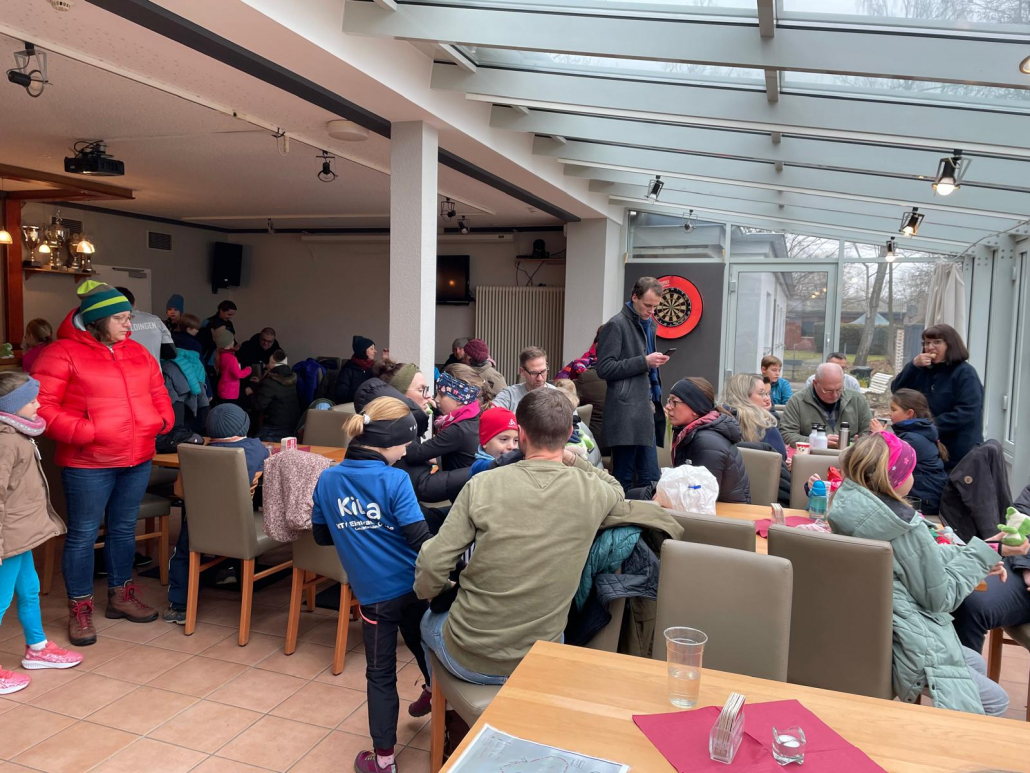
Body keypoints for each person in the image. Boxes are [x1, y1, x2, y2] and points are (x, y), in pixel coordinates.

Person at [415, 388, 677, 685]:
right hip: (542, 657)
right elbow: (616, 488)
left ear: (521, 434)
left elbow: (431, 564)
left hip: (470, 656)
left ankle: (436, 697)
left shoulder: (483, 484)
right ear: (568, 434)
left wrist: (440, 593)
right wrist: (571, 459)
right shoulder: (593, 491)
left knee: (426, 621)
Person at [828, 432, 1009, 716]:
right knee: (997, 700)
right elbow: (941, 597)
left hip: (870, 629)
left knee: (975, 662)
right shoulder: (903, 527)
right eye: (911, 470)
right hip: (906, 641)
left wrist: (979, 554)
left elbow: (917, 559)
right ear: (896, 478)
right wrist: (986, 553)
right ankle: (960, 742)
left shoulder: (851, 509)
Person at [35, 282, 174, 645]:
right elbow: (41, 408)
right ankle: (80, 608)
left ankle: (121, 596)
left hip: (137, 458)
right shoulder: (61, 353)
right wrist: (86, 431)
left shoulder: (137, 352)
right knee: (83, 535)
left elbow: (158, 391)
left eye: (129, 317)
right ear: (97, 320)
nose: (129, 324)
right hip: (88, 463)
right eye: (120, 318)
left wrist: (162, 420)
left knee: (124, 529)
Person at [310, 396, 431, 773]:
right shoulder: (396, 480)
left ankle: (383, 761)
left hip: (374, 597)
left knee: (380, 674)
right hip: (414, 585)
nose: (407, 450)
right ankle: (435, 693)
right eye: (405, 443)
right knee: (422, 642)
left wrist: (356, 529)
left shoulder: (327, 478)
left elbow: (322, 537)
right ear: (386, 442)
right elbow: (421, 542)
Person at [0, 373, 83, 694]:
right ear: (12, 406)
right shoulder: (5, 441)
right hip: (7, 537)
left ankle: (37, 648)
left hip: (20, 533)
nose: (38, 405)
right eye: (32, 400)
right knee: (1, 600)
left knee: (30, 589)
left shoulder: (18, 433)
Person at [163, 404, 269, 624]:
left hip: (199, 523)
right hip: (239, 524)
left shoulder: (193, 453)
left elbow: (180, 492)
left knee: (182, 555)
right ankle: (234, 573)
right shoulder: (256, 449)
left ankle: (179, 607)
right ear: (244, 425)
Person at [596, 278, 669, 493]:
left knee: (651, 479)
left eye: (655, 307)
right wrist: (644, 362)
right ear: (634, 297)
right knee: (624, 479)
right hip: (626, 413)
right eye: (647, 305)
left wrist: (651, 363)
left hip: (645, 409)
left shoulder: (649, 324)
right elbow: (604, 368)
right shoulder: (616, 325)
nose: (651, 311)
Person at [631, 377, 750, 504]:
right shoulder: (689, 432)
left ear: (695, 408)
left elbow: (701, 495)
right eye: (669, 401)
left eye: (674, 402)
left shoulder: (707, 441)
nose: (668, 407)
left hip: (722, 512)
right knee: (632, 495)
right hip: (698, 505)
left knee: (633, 500)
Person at [891, 324, 983, 471]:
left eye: (937, 342)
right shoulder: (923, 370)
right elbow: (898, 392)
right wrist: (912, 366)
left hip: (958, 450)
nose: (930, 347)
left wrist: (930, 425)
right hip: (930, 447)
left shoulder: (965, 373)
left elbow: (968, 412)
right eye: (927, 343)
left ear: (950, 345)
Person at [871, 389, 948, 515]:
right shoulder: (919, 433)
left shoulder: (912, 439)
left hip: (924, 500)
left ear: (909, 413)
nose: (890, 414)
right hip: (928, 495)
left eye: (894, 410)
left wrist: (880, 436)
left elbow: (888, 458)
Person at [403, 365, 484, 471]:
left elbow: (414, 454)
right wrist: (435, 410)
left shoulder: (458, 430)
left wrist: (413, 417)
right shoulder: (473, 416)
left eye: (441, 395)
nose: (436, 399)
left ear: (460, 399)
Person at [779, 362, 873, 449]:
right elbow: (786, 434)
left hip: (849, 454)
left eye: (839, 389)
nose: (835, 395)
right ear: (815, 383)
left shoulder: (857, 399)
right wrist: (817, 441)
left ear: (843, 380)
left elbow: (870, 431)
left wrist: (858, 443)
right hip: (813, 456)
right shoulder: (797, 401)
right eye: (828, 391)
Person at [721, 373, 787, 458]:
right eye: (761, 393)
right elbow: (781, 459)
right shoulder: (766, 428)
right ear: (744, 396)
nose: (767, 398)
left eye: (767, 393)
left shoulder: (715, 421)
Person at [247, 350, 301, 442]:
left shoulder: (270, 382)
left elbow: (259, 406)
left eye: (269, 362)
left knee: (253, 441)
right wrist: (261, 383)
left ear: (273, 364)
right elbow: (277, 390)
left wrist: (250, 394)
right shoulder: (290, 378)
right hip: (292, 423)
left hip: (275, 427)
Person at [116, 287, 176, 363]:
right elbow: (171, 353)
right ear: (135, 303)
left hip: (126, 369)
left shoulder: (112, 325)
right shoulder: (155, 320)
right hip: (154, 369)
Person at [491, 347, 557, 412]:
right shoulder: (509, 395)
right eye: (534, 373)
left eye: (543, 371)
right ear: (522, 371)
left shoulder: (557, 395)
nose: (540, 378)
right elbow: (491, 413)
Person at [213, 327, 251, 406]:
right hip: (230, 392)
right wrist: (248, 369)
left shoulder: (220, 355)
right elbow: (238, 374)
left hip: (222, 389)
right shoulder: (231, 358)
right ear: (229, 343)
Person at [334, 335, 377, 405]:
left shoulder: (375, 368)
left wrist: (386, 362)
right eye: (371, 349)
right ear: (363, 350)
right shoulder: (348, 369)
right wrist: (361, 394)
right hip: (351, 406)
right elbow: (340, 393)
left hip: (372, 406)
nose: (375, 351)